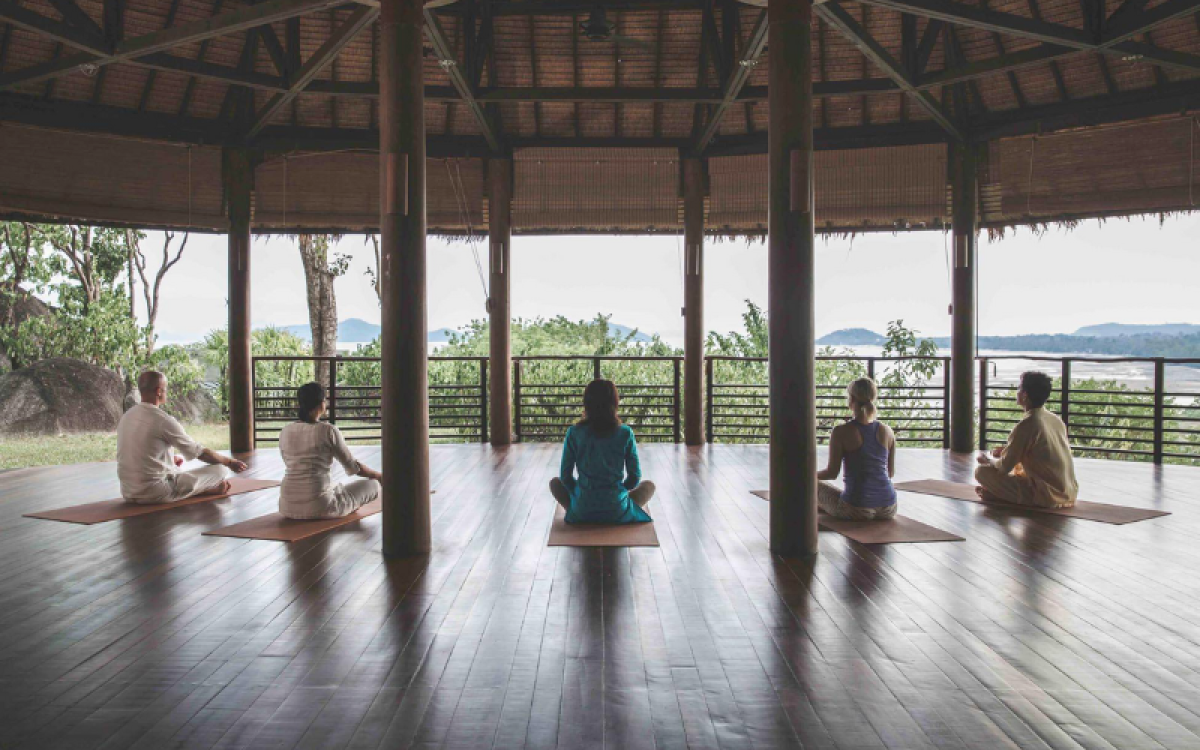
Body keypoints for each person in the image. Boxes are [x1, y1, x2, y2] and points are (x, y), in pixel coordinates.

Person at [117, 371, 248, 504]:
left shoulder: (127, 416)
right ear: (159, 391)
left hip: (128, 491)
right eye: (165, 389)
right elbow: (200, 453)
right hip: (156, 492)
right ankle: (205, 489)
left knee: (177, 469)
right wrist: (229, 462)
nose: (167, 392)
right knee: (220, 470)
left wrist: (170, 459)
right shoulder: (163, 420)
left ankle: (199, 488)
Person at [550, 379, 654, 524]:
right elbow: (634, 477)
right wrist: (620, 491)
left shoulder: (574, 433)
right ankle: (618, 508)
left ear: (586, 403)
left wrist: (581, 492)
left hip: (583, 507)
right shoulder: (625, 433)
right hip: (617, 509)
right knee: (649, 486)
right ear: (614, 403)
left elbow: (565, 477)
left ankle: (577, 509)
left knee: (555, 483)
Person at [278, 382, 382, 519]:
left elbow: (289, 462)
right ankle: (348, 505)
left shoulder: (285, 431)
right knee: (373, 485)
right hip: (320, 507)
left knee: (335, 487)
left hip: (286, 506)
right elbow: (353, 467)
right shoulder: (328, 430)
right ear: (321, 404)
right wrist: (379, 476)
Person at [975, 370, 1079, 508]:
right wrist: (1006, 452)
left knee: (982, 472)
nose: (1017, 391)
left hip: (1048, 495)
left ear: (1025, 395)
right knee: (1015, 472)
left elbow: (1004, 467)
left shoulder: (1028, 423)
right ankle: (998, 495)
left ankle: (999, 496)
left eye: (1019, 388)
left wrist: (988, 460)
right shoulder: (1055, 419)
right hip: (1069, 493)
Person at [815, 377, 898, 520]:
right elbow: (890, 473)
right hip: (889, 508)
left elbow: (831, 473)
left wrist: (805, 476)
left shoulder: (841, 431)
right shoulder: (888, 431)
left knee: (814, 484)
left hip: (856, 509)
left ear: (851, 399)